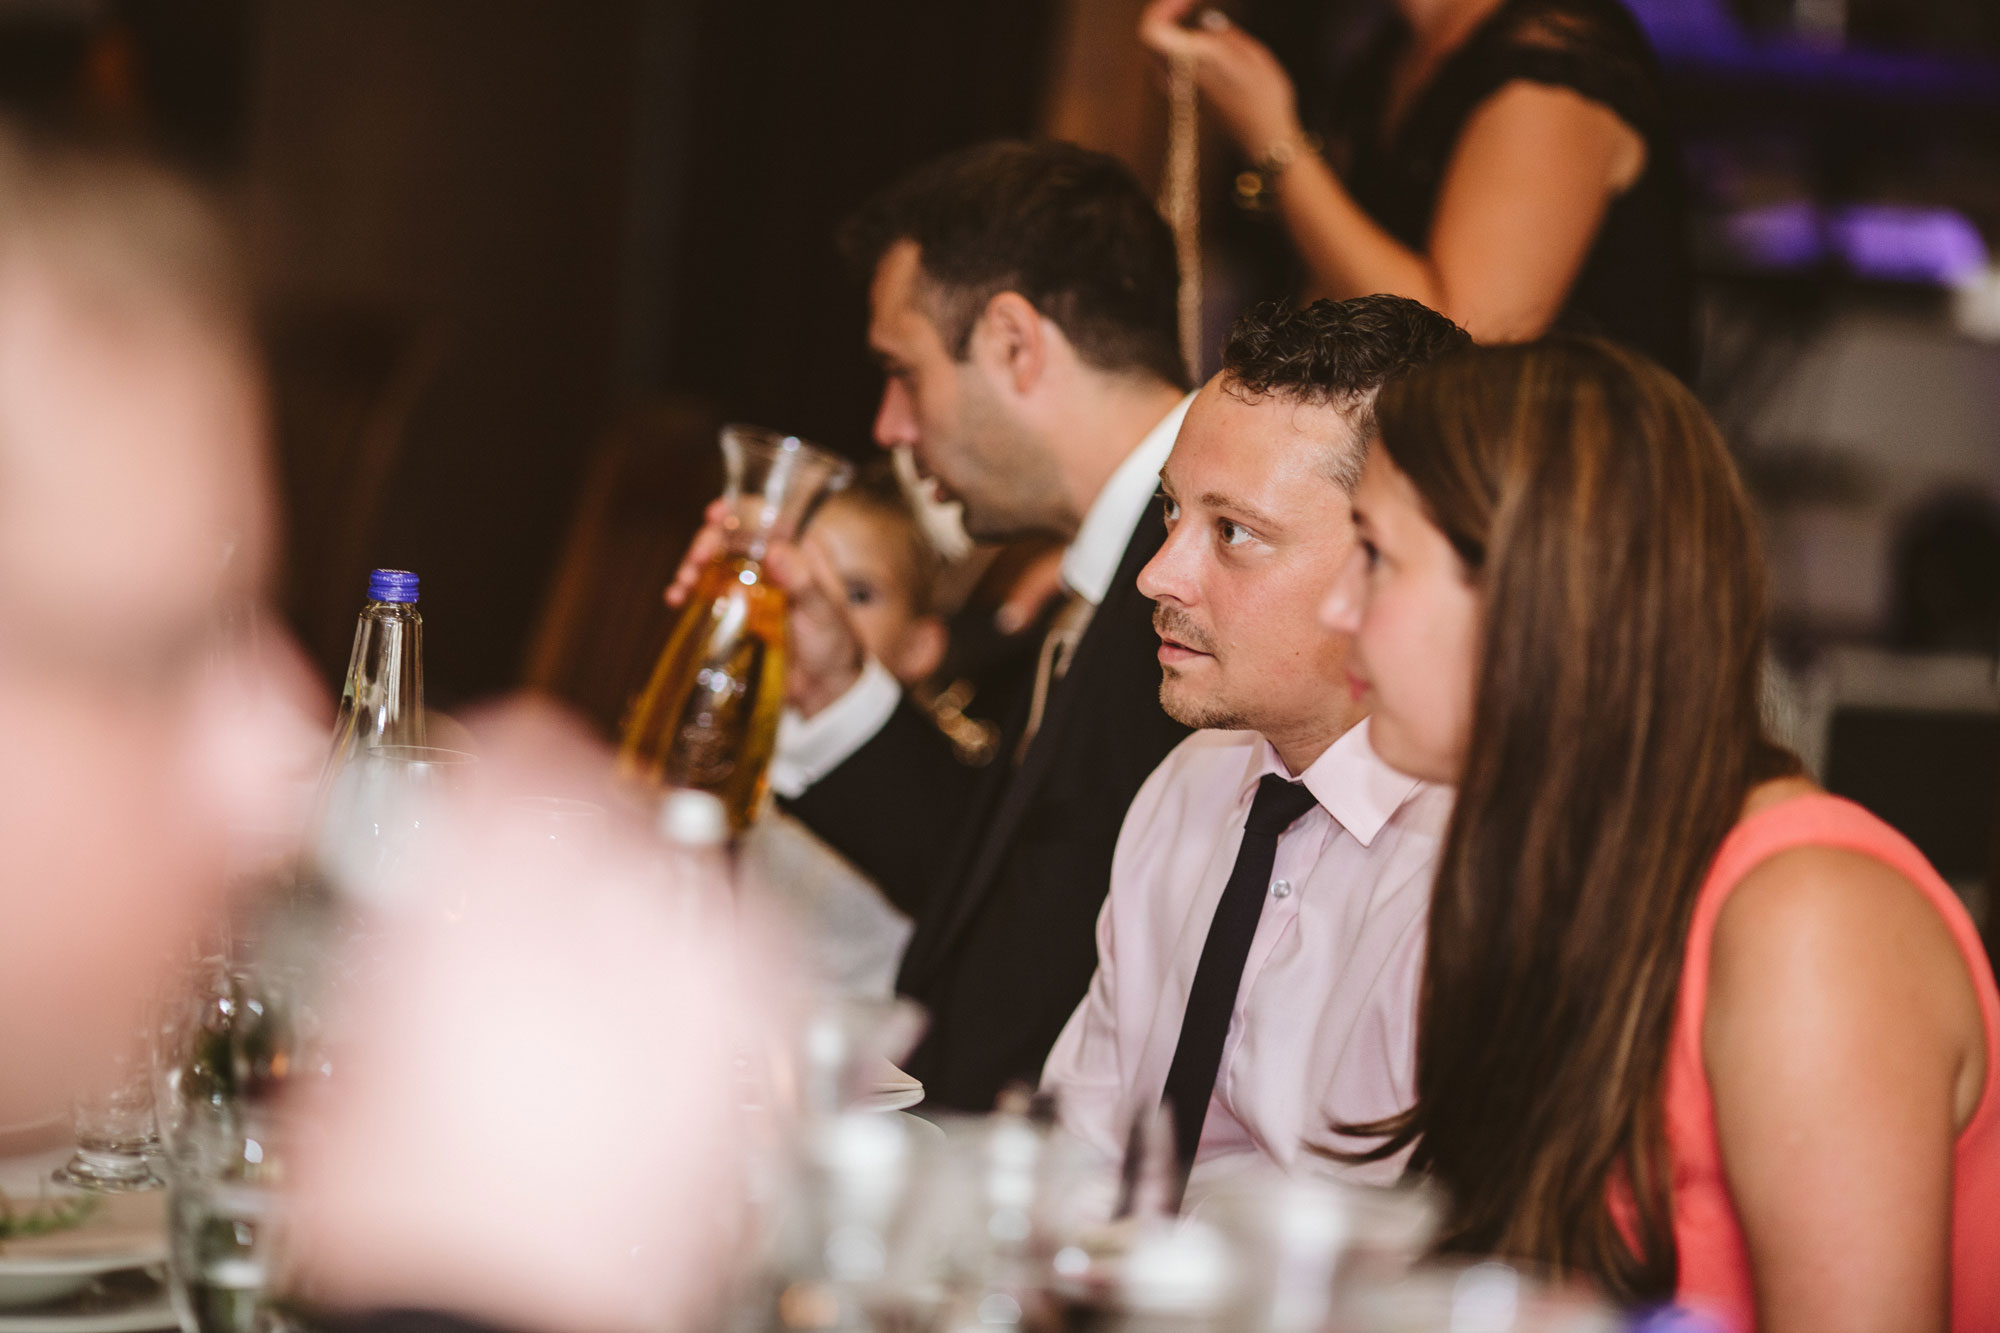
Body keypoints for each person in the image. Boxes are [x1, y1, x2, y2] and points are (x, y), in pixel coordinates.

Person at [1318, 337, 2000, 1329]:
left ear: (1535, 592)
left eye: (1375, 555)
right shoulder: (1557, 867)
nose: (1336, 606)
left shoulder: (1804, 919)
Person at [669, 140, 1197, 1112]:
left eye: (901, 372)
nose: (889, 427)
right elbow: (1029, 898)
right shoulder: (1100, 563)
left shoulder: (1203, 572)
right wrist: (829, 683)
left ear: (1013, 344)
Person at [1040, 296, 1468, 1202]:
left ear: (1392, 559)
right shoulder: (1191, 782)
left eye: (1234, 532)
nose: (1156, 574)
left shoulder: (1471, 862)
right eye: (1171, 510)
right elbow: (1078, 1150)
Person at [1139, 0, 1694, 378]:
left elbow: (1465, 345)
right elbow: (1331, 298)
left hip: (1558, 493)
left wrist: (1271, 139)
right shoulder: (1392, 49)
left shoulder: (1552, 67)